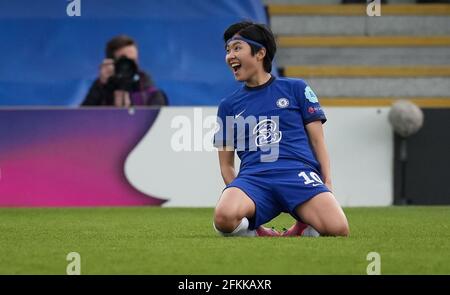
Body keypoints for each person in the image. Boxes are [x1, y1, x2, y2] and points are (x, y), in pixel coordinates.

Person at [213, 21, 349, 237]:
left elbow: (317, 141)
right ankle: (253, 231)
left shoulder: (296, 88)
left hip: (298, 174)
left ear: (260, 53)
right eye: (228, 50)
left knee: (338, 229)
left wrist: (327, 183)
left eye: (237, 48)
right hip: (254, 179)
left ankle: (304, 224)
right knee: (224, 217)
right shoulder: (228, 106)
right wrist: (239, 196)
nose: (230, 56)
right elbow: (226, 165)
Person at [82, 35, 167, 107]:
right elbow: (81, 118)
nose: (129, 65)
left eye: (134, 60)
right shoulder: (101, 86)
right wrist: (100, 86)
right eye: (124, 61)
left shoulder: (148, 91)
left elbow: (158, 121)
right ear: (112, 63)